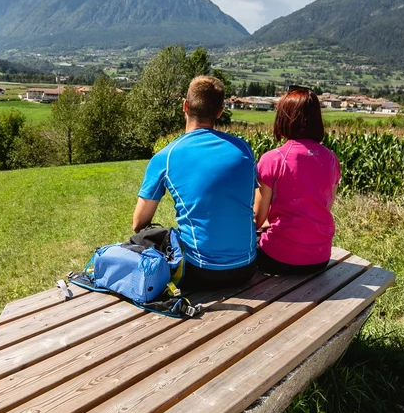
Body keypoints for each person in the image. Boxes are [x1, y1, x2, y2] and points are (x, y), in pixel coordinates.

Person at [132, 76, 258, 291]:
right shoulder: (243, 149)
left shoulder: (166, 156)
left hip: (199, 271)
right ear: (220, 111)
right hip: (246, 268)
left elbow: (139, 223)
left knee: (141, 239)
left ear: (185, 106)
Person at [253, 88, 341, 276]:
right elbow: (323, 207)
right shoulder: (332, 159)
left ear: (284, 118)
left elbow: (257, 219)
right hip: (320, 258)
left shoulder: (272, 159)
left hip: (278, 258)